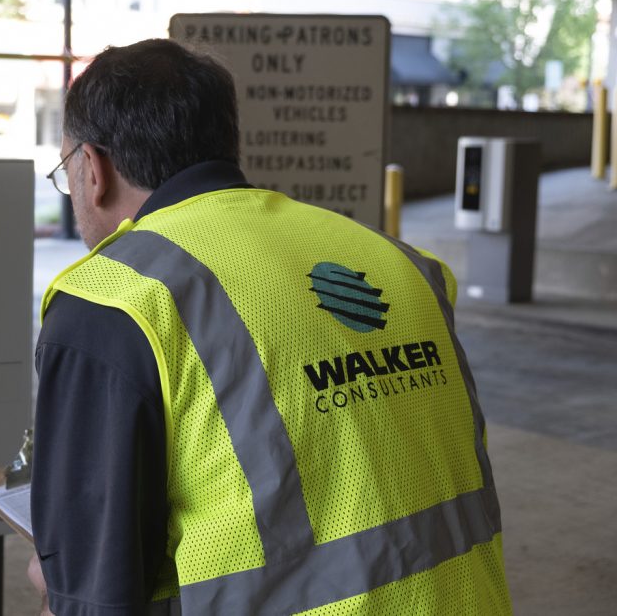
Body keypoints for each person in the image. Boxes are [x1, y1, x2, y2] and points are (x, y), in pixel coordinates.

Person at [28, 38, 511, 615]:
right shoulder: (402, 265)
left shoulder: (116, 302)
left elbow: (93, 591)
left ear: (92, 167)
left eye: (67, 171)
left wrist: (52, 572)